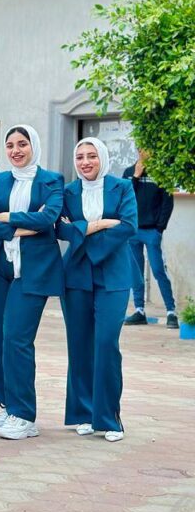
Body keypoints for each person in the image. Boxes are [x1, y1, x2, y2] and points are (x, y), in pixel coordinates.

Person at [0, 124, 64, 440]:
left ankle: (24, 414)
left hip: (34, 268)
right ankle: (7, 404)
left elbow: (47, 218)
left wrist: (7, 217)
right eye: (10, 145)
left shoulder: (51, 180)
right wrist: (22, 226)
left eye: (22, 144)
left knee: (16, 337)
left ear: (33, 146)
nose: (15, 150)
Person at [58, 138, 137, 442]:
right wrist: (98, 225)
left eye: (92, 156)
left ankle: (108, 419)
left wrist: (83, 236)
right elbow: (59, 228)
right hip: (75, 275)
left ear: (102, 157)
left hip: (113, 274)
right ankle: (84, 413)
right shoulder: (68, 191)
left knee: (106, 344)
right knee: (79, 345)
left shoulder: (122, 187)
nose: (86, 162)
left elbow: (128, 225)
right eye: (80, 157)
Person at [123, 149, 178, 329]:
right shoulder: (129, 172)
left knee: (158, 270)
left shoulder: (161, 173)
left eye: (147, 148)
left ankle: (171, 312)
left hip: (152, 231)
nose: (144, 151)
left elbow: (167, 202)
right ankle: (139, 311)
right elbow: (124, 198)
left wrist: (159, 229)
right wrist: (136, 177)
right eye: (141, 148)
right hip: (133, 231)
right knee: (136, 272)